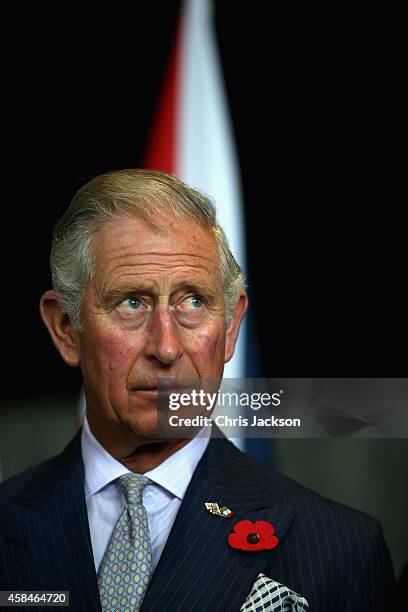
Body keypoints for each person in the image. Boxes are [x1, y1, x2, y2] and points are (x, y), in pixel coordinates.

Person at [0, 170, 396, 611]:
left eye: (193, 302)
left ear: (229, 328)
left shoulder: (342, 552)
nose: (166, 348)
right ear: (66, 328)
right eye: (132, 302)